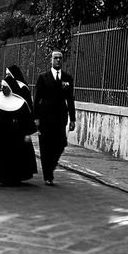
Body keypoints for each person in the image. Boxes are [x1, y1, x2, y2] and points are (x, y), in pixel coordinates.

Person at [34, 51, 76, 186]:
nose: (58, 60)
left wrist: (73, 119)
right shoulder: (43, 77)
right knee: (46, 147)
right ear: (51, 60)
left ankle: (51, 166)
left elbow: (70, 99)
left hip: (60, 118)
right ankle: (48, 175)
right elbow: (36, 99)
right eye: (55, 58)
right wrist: (36, 118)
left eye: (60, 58)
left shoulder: (67, 78)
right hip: (45, 117)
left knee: (60, 144)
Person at [0, 76, 38, 186]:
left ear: (10, 88)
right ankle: (3, 178)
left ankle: (15, 178)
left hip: (15, 137)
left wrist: (28, 133)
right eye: (1, 87)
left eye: (5, 87)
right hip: (0, 136)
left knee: (15, 158)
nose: (2, 89)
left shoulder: (20, 103)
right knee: (1, 158)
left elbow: (27, 120)